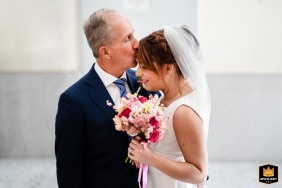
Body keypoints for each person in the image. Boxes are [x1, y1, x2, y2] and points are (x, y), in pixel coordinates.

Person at [55, 8, 158, 188]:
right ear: (106, 52)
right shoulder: (74, 101)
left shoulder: (146, 84)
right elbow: (69, 173)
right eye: (127, 38)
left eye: (133, 35)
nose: (137, 44)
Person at [127, 25, 211, 188]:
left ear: (168, 68)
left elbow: (199, 174)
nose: (137, 73)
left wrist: (150, 158)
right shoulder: (165, 98)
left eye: (144, 67)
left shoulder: (183, 111)